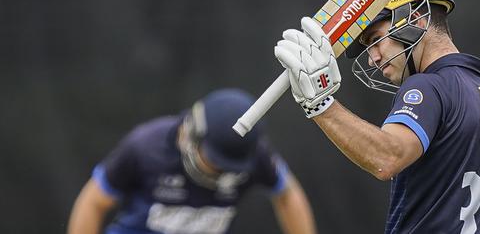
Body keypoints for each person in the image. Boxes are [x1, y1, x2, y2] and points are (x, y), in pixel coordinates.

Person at [274, 0, 480, 233]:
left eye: (375, 39)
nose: (373, 58)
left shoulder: (429, 86)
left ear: (414, 18)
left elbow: (387, 157)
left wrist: (320, 105)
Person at [67, 88, 317, 234]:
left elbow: (287, 194)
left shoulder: (250, 155)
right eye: (216, 161)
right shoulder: (145, 146)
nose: (221, 174)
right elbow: (93, 201)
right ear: (192, 135)